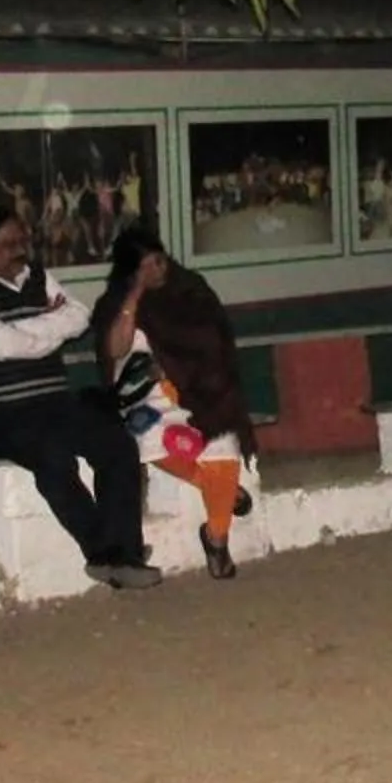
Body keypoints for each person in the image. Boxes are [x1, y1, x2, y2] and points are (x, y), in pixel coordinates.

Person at [0, 207, 157, 589]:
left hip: (51, 402)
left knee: (116, 442)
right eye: (7, 245)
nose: (18, 252)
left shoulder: (37, 276)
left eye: (22, 241)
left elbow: (79, 317)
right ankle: (104, 552)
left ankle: (124, 554)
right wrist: (46, 328)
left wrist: (27, 332)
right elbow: (1, 344)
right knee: (52, 455)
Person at [92, 229, 255, 580]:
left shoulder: (190, 288)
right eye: (145, 266)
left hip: (199, 389)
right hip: (147, 398)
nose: (156, 271)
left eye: (159, 261)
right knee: (148, 442)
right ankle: (217, 489)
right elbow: (115, 351)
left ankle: (216, 539)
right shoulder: (115, 301)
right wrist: (134, 297)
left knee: (222, 445)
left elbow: (213, 341)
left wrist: (177, 366)